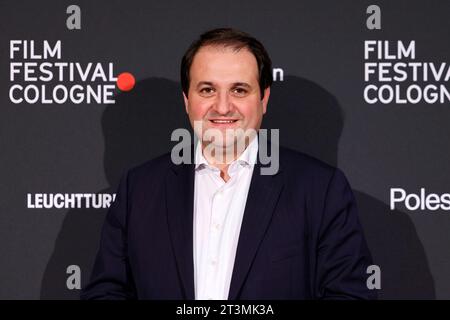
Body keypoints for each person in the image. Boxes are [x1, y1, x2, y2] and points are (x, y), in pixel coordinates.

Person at [81, 28, 375, 300]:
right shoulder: (140, 189)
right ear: (186, 100)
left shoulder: (320, 189)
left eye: (239, 90)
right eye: (207, 90)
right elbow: (106, 294)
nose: (222, 107)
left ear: (264, 99)